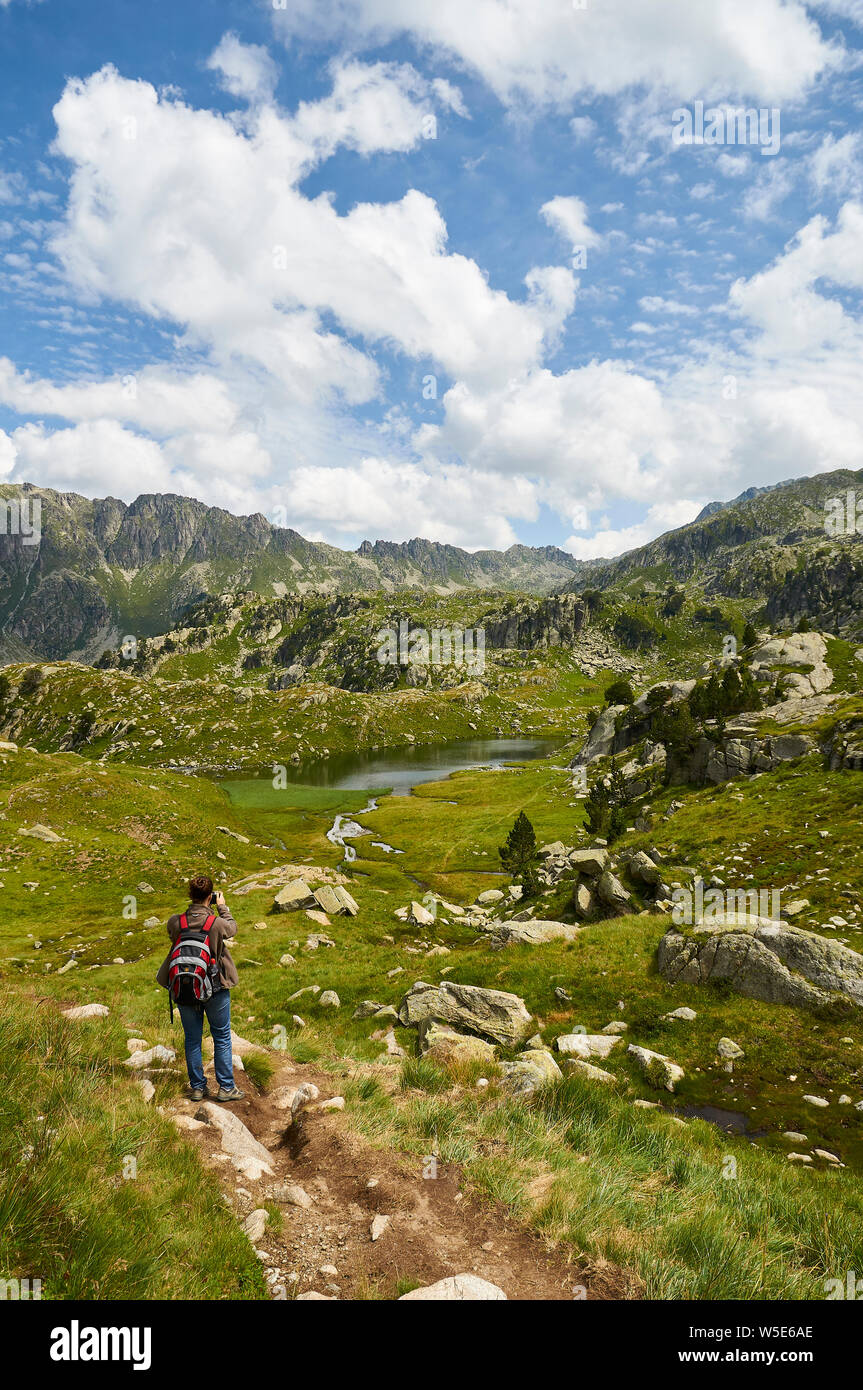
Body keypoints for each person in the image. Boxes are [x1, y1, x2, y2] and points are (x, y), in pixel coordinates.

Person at [156, 874, 244, 1102]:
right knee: (222, 1036)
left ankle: (197, 1087)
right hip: (215, 987)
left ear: (190, 895)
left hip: (185, 987)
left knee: (192, 1039)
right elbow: (232, 928)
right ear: (210, 897)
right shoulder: (216, 923)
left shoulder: (176, 922)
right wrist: (223, 908)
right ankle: (226, 1088)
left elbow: (173, 936)